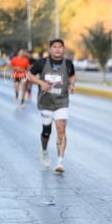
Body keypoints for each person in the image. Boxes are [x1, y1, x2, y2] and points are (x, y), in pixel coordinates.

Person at [27, 38, 76, 173]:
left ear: (63, 49)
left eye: (60, 47)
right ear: (50, 49)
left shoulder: (68, 63)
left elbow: (72, 76)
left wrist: (72, 85)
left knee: (61, 129)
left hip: (62, 101)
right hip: (45, 102)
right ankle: (44, 150)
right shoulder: (41, 63)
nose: (57, 49)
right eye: (54, 47)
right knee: (46, 131)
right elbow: (29, 75)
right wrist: (41, 83)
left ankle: (60, 161)